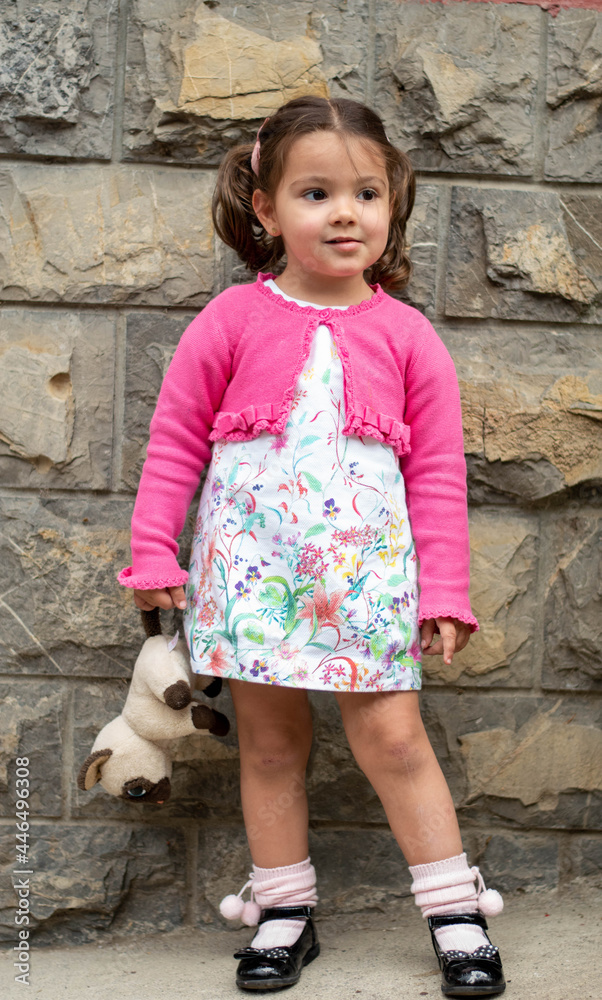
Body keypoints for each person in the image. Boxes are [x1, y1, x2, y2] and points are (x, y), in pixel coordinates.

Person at [118, 95, 505, 997]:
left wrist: (444, 588)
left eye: (367, 193)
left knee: (395, 740)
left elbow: (440, 475)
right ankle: (284, 911)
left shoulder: (408, 336)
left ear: (391, 205)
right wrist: (153, 555)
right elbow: (175, 440)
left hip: (364, 584)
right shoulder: (230, 321)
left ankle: (455, 912)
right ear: (265, 209)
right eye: (316, 192)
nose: (344, 212)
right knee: (269, 746)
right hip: (251, 573)